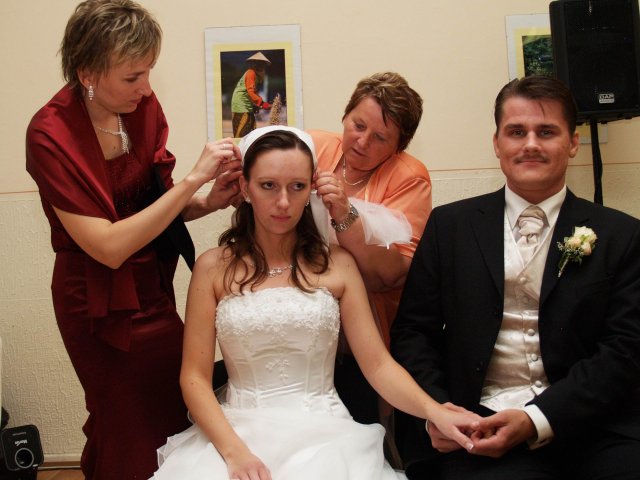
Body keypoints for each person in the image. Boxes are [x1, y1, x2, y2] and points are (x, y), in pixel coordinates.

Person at [151, 126, 480, 480]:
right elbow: (194, 378)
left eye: (297, 186)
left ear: (312, 188)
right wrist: (236, 454)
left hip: (326, 436)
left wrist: (434, 410)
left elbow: (378, 366)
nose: (283, 202)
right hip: (233, 434)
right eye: (268, 185)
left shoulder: (337, 264)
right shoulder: (213, 267)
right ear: (245, 188)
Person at [25, 1, 242, 478]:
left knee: (174, 413)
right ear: (87, 73)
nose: (145, 88)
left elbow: (154, 209)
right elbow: (107, 246)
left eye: (148, 72)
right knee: (126, 425)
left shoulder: (141, 109)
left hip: (152, 288)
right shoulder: (50, 134)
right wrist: (193, 180)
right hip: (94, 301)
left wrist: (209, 200)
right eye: (132, 77)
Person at [391, 75, 640, 480]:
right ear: (497, 143)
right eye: (516, 132)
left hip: (594, 427)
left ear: (573, 143)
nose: (531, 144)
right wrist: (438, 410)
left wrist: (537, 418)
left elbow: (625, 349)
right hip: (476, 422)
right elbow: (413, 333)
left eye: (547, 132)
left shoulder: (622, 235)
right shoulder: (449, 226)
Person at [311, 72, 432, 426]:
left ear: (399, 146)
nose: (362, 142)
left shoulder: (410, 177)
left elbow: (390, 274)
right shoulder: (313, 147)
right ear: (345, 115)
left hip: (363, 327)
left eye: (380, 137)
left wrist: (345, 214)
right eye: (358, 125)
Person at [231, 51, 272, 138]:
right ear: (254, 63)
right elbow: (250, 92)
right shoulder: (251, 72)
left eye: (263, 64)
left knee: (250, 130)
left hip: (246, 103)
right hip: (241, 104)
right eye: (259, 63)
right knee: (242, 132)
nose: (261, 65)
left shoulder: (255, 75)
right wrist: (263, 104)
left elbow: (252, 92)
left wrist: (255, 105)